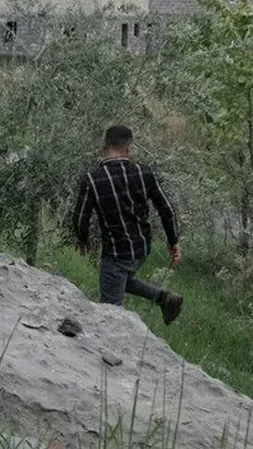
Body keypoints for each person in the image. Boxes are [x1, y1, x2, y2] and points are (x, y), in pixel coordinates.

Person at [71, 124, 184, 324]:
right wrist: (173, 241)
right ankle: (164, 298)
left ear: (104, 147)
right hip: (141, 249)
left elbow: (81, 218)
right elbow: (166, 209)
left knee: (110, 312)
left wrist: (82, 238)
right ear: (128, 148)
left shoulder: (92, 180)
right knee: (122, 280)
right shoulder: (144, 173)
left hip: (116, 252)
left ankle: (111, 348)